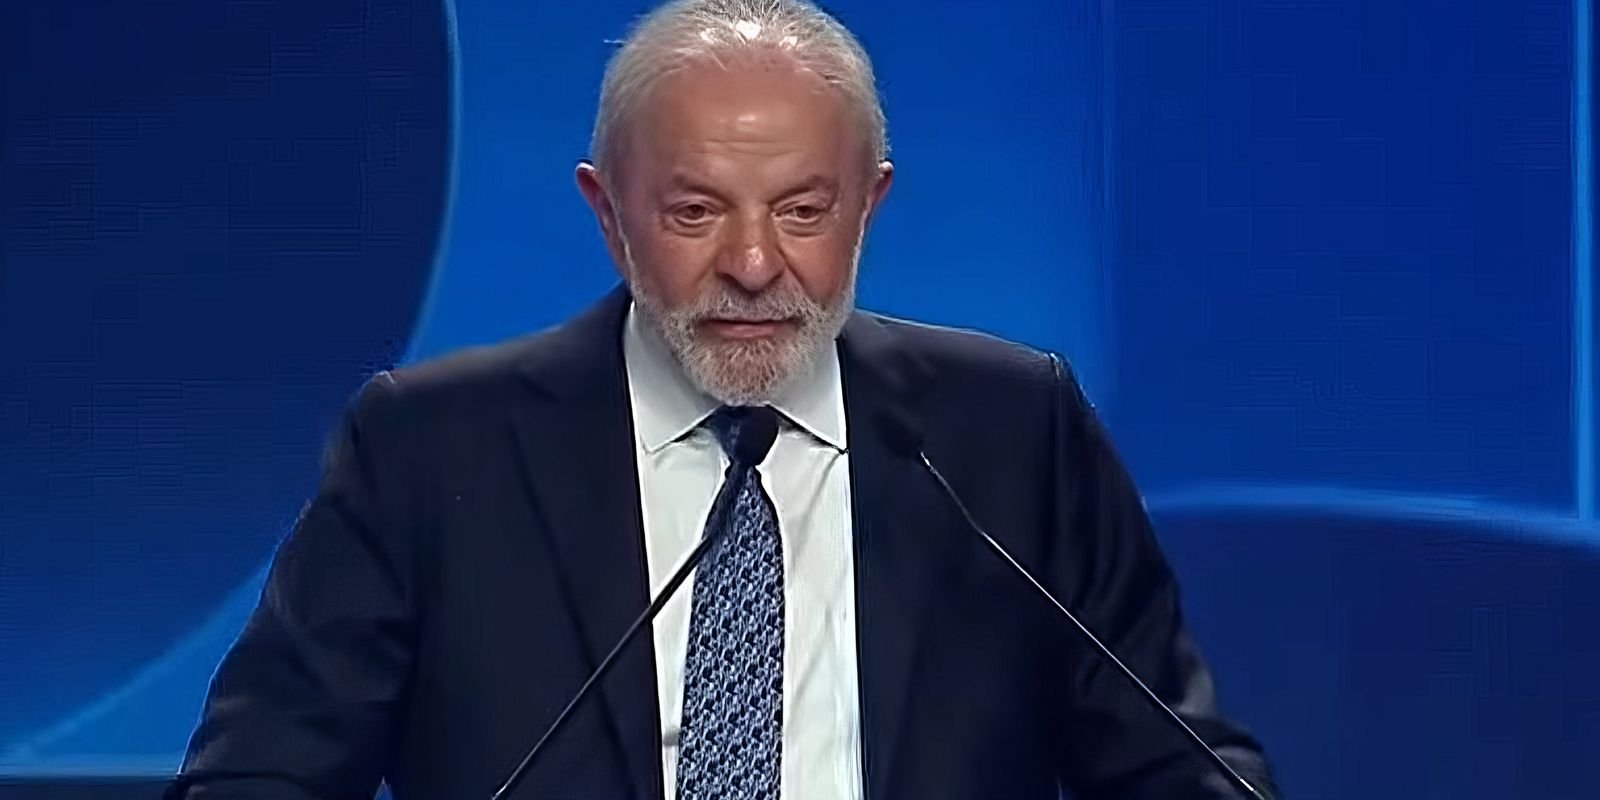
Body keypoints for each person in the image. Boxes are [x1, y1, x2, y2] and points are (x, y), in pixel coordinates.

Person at [169, 1, 1276, 798]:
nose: (753, 265)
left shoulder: (1009, 432)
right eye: (695, 212)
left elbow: (1176, 763)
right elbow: (261, 775)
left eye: (803, 211)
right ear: (608, 214)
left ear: (869, 206)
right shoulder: (431, 448)